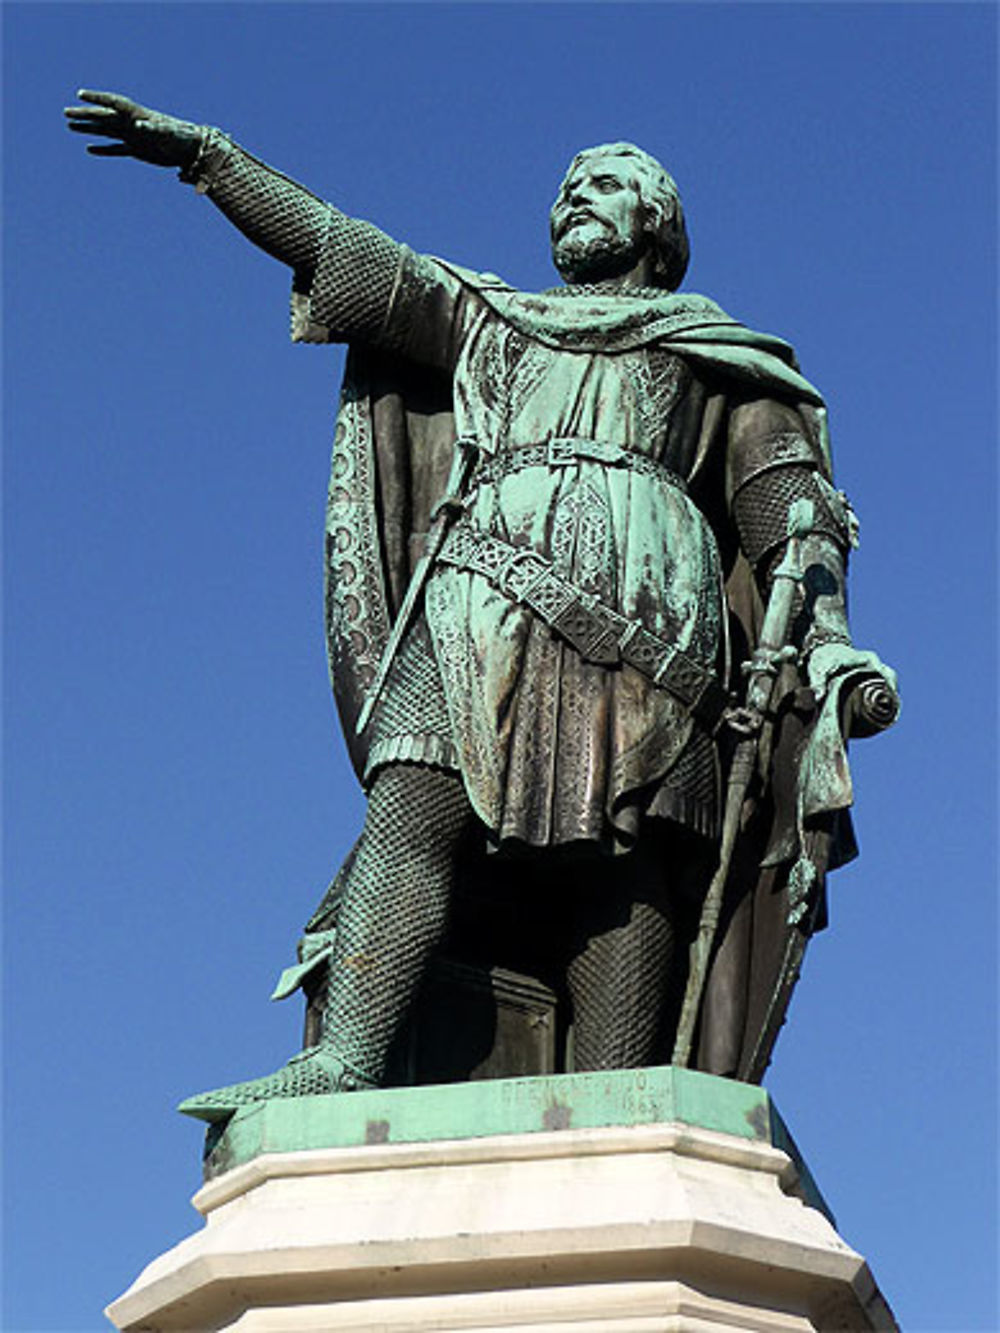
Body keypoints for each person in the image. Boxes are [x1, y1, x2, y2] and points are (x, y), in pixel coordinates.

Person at [65, 92, 896, 1121]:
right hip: (478, 588)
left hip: (652, 611)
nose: (568, 205)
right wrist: (218, 163)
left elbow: (784, 504)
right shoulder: (484, 316)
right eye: (561, 191)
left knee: (624, 851)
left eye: (598, 187)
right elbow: (351, 257)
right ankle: (345, 1062)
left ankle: (616, 1099)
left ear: (655, 224)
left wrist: (822, 638)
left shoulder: (715, 352)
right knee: (411, 795)